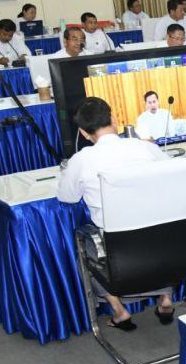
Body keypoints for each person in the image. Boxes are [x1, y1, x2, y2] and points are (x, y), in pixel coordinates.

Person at [57, 96, 172, 331]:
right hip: (162, 242)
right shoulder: (147, 148)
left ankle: (119, 311)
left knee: (86, 249)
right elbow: (172, 175)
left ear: (84, 133)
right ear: (114, 119)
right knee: (158, 230)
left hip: (117, 248)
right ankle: (166, 297)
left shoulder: (81, 160)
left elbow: (67, 197)